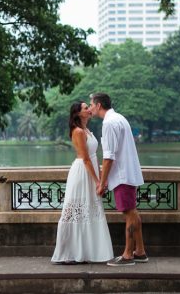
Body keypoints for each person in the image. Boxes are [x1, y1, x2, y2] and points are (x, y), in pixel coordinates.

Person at [51, 101, 114, 264]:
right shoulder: (78, 131)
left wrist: (101, 177)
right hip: (82, 173)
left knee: (91, 211)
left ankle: (87, 252)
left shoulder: (87, 130)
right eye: (86, 108)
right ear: (78, 113)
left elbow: (94, 158)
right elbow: (85, 159)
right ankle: (69, 253)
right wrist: (98, 182)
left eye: (88, 106)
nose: (89, 109)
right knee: (76, 212)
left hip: (91, 170)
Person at [89, 93, 148, 267]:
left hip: (122, 175)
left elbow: (108, 157)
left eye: (91, 104)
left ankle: (128, 254)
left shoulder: (109, 123)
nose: (90, 107)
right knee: (132, 211)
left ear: (99, 105)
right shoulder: (119, 118)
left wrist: (102, 182)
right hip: (127, 173)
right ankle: (140, 251)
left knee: (129, 213)